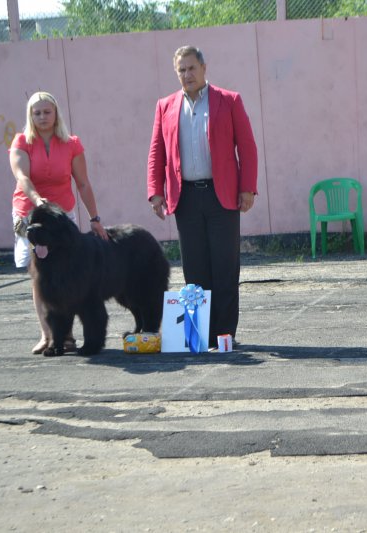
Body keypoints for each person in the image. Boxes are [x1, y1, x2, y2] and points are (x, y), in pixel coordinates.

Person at [147, 45, 258, 349]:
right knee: (194, 271)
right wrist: (155, 192)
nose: (187, 74)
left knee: (224, 268)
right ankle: (199, 335)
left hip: (222, 197)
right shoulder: (165, 106)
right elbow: (157, 152)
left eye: (191, 68)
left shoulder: (228, 101)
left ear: (204, 68)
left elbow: (246, 147)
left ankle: (224, 335)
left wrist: (247, 188)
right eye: (181, 70)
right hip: (185, 199)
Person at [10, 91, 109, 354]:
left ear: (56, 114)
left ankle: (67, 336)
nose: (42, 117)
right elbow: (22, 176)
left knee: (68, 274)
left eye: (47, 112)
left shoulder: (72, 143)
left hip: (62, 218)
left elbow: (83, 183)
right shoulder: (21, 142)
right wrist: (37, 200)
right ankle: (47, 334)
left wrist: (95, 218)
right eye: (37, 112)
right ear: (30, 116)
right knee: (40, 277)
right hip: (31, 215)